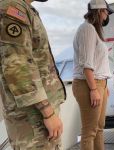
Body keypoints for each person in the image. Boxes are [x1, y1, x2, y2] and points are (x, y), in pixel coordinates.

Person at [0, 0, 66, 149]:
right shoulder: (13, 8)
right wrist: (47, 112)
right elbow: (17, 66)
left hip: (38, 115)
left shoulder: (25, 9)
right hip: (32, 118)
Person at [72, 0, 114, 149]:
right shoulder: (87, 29)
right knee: (89, 131)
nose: (107, 16)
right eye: (106, 12)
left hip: (98, 83)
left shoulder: (93, 30)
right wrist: (94, 89)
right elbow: (87, 64)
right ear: (99, 11)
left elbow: (97, 64)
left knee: (99, 127)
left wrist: (103, 86)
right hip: (88, 84)